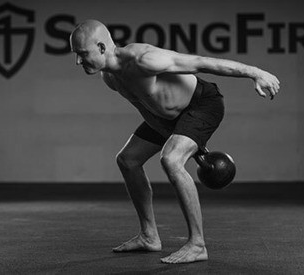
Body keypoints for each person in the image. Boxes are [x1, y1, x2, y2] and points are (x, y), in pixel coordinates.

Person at [69, 20, 280, 264]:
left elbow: (202, 63)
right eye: (76, 55)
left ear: (102, 48)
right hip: (166, 118)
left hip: (202, 105)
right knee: (128, 160)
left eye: (82, 54)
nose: (78, 61)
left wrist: (256, 72)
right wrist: (175, 133)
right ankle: (149, 236)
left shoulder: (143, 59)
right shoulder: (110, 77)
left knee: (171, 159)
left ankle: (198, 245)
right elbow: (147, 108)